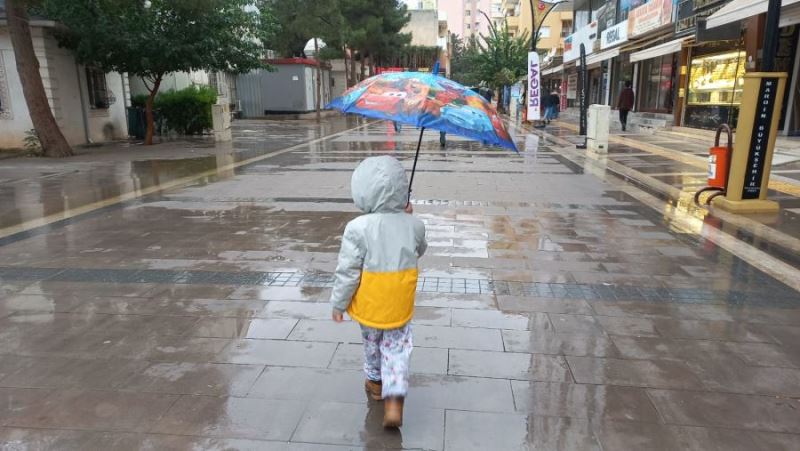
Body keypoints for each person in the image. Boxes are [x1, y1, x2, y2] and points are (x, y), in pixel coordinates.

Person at [330, 155, 427, 428]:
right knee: (396, 348)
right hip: (399, 301)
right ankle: (394, 401)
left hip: (369, 302)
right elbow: (420, 249)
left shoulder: (357, 228)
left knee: (372, 343)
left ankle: (375, 383)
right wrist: (409, 218)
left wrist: (339, 304)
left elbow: (347, 271)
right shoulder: (414, 224)